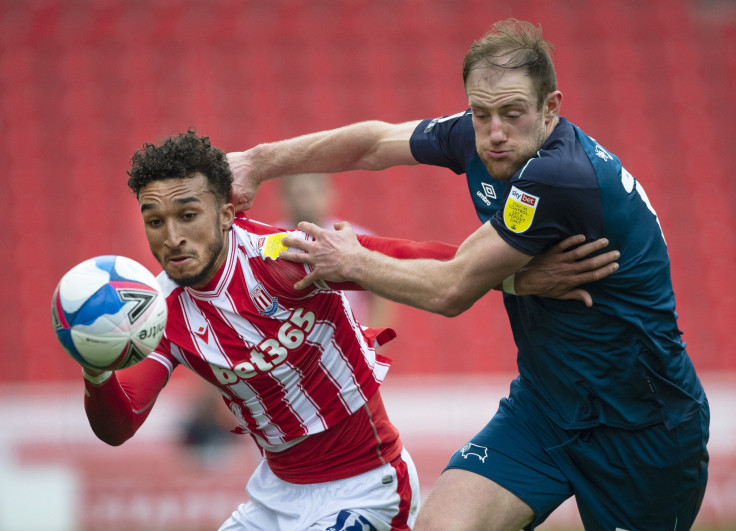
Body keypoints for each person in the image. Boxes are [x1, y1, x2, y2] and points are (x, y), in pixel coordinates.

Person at [225, 19, 709, 531]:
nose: (495, 132)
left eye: (512, 114)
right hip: (545, 410)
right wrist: (258, 162)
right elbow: (374, 144)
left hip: (644, 427)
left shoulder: (561, 176)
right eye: (481, 113)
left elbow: (451, 289)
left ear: (551, 108)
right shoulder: (482, 135)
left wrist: (350, 261)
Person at [80, 130, 612, 530]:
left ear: (225, 213)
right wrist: (96, 372)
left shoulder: (283, 255)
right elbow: (120, 425)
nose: (171, 236)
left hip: (366, 488)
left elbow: (408, 255)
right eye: (155, 221)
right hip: (273, 498)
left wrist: (519, 274)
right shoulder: (159, 312)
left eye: (187, 214)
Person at [277, 172, 395, 327]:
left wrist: (372, 344)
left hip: (347, 342)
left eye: (312, 193)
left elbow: (382, 299)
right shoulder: (270, 242)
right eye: (300, 194)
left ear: (329, 194)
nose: (306, 202)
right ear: (283, 198)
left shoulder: (356, 239)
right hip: (290, 343)